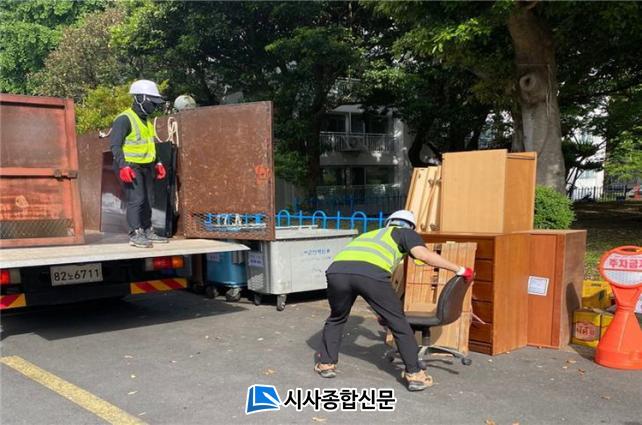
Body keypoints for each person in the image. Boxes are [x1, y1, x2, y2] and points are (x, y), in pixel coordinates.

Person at [315, 210, 474, 391]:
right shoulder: (405, 233)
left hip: (337, 272)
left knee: (336, 318)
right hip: (371, 274)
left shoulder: (369, 235)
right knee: (398, 322)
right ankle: (415, 374)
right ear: (411, 227)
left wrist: (381, 308)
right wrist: (459, 269)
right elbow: (423, 256)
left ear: (388, 222)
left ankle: (325, 364)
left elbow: (358, 269)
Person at [110, 79, 168, 248]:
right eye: (152, 102)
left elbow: (150, 144)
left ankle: (148, 230)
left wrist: (158, 162)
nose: (154, 106)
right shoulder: (124, 119)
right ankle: (135, 233)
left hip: (146, 165)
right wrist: (123, 165)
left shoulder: (146, 121)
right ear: (140, 98)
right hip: (130, 166)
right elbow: (115, 145)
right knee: (137, 199)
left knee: (149, 199)